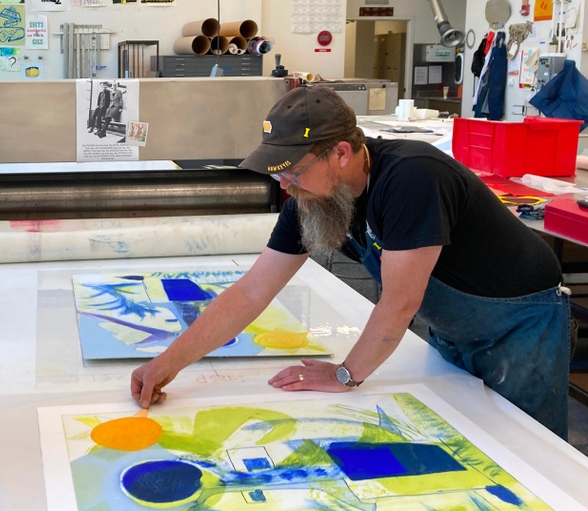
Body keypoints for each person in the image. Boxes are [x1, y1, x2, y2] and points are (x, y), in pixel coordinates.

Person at [132, 86, 570, 438]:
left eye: (292, 171)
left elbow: (399, 303)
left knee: (525, 447)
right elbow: (251, 291)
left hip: (519, 324)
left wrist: (345, 375)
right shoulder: (311, 199)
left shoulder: (411, 179)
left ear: (341, 152)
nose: (285, 186)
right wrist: (166, 363)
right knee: (471, 433)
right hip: (455, 328)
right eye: (277, 174)